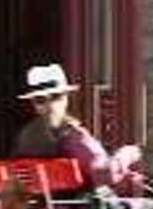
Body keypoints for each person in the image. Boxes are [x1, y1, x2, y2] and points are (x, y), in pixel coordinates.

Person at [12, 63, 144, 196]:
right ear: (67, 98)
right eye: (41, 100)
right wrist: (128, 154)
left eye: (56, 97)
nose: (50, 105)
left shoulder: (25, 138)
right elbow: (105, 174)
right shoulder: (73, 137)